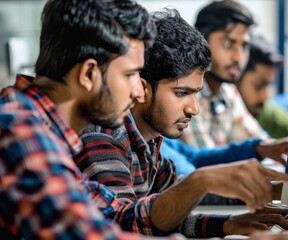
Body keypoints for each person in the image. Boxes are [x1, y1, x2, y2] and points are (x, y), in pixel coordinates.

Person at [75, 9, 288, 239]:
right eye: (181, 93)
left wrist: (229, 224)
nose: (193, 109)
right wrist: (202, 182)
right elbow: (125, 226)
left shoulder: (150, 142)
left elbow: (164, 216)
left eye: (196, 93)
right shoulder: (104, 137)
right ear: (142, 89)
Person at [0, 0, 166, 239]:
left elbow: (114, 214)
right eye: (130, 74)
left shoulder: (48, 131)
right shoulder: (19, 129)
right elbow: (85, 233)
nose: (139, 92)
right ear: (89, 74)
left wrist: (218, 213)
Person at [180, 0, 270, 149]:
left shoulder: (228, 93)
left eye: (244, 46)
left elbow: (263, 145)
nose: (238, 57)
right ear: (202, 42)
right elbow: (204, 164)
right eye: (228, 44)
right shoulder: (186, 93)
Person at [236, 36, 288, 139]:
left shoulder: (263, 111)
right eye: (258, 86)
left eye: (268, 86)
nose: (265, 97)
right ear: (237, 77)